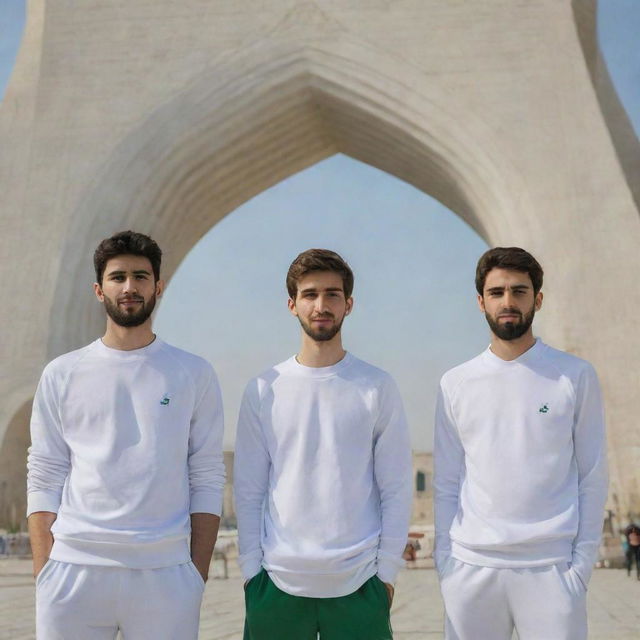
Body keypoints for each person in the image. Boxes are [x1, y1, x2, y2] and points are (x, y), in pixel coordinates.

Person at [27, 230, 225, 639]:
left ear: (159, 287)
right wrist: (45, 570)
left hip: (165, 575)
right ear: (99, 290)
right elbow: (45, 472)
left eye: (141, 276)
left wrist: (195, 575)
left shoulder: (192, 372)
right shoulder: (62, 373)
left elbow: (206, 474)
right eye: (118, 277)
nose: (130, 287)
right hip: (73, 572)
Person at [234, 248, 413, 640]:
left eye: (332, 294)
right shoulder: (265, 389)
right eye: (310, 294)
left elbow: (396, 487)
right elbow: (249, 489)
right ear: (292, 304)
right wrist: (251, 573)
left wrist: (385, 576)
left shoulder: (376, 386)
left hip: (360, 583)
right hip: (276, 584)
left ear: (348, 304)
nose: (321, 305)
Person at [433, 247, 608, 640]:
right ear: (481, 302)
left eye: (519, 291)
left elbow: (593, 474)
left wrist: (579, 568)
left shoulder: (573, 375)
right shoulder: (456, 382)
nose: (508, 302)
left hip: (551, 568)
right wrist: (446, 563)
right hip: (472, 568)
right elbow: (446, 480)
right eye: (496, 293)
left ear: (538, 299)